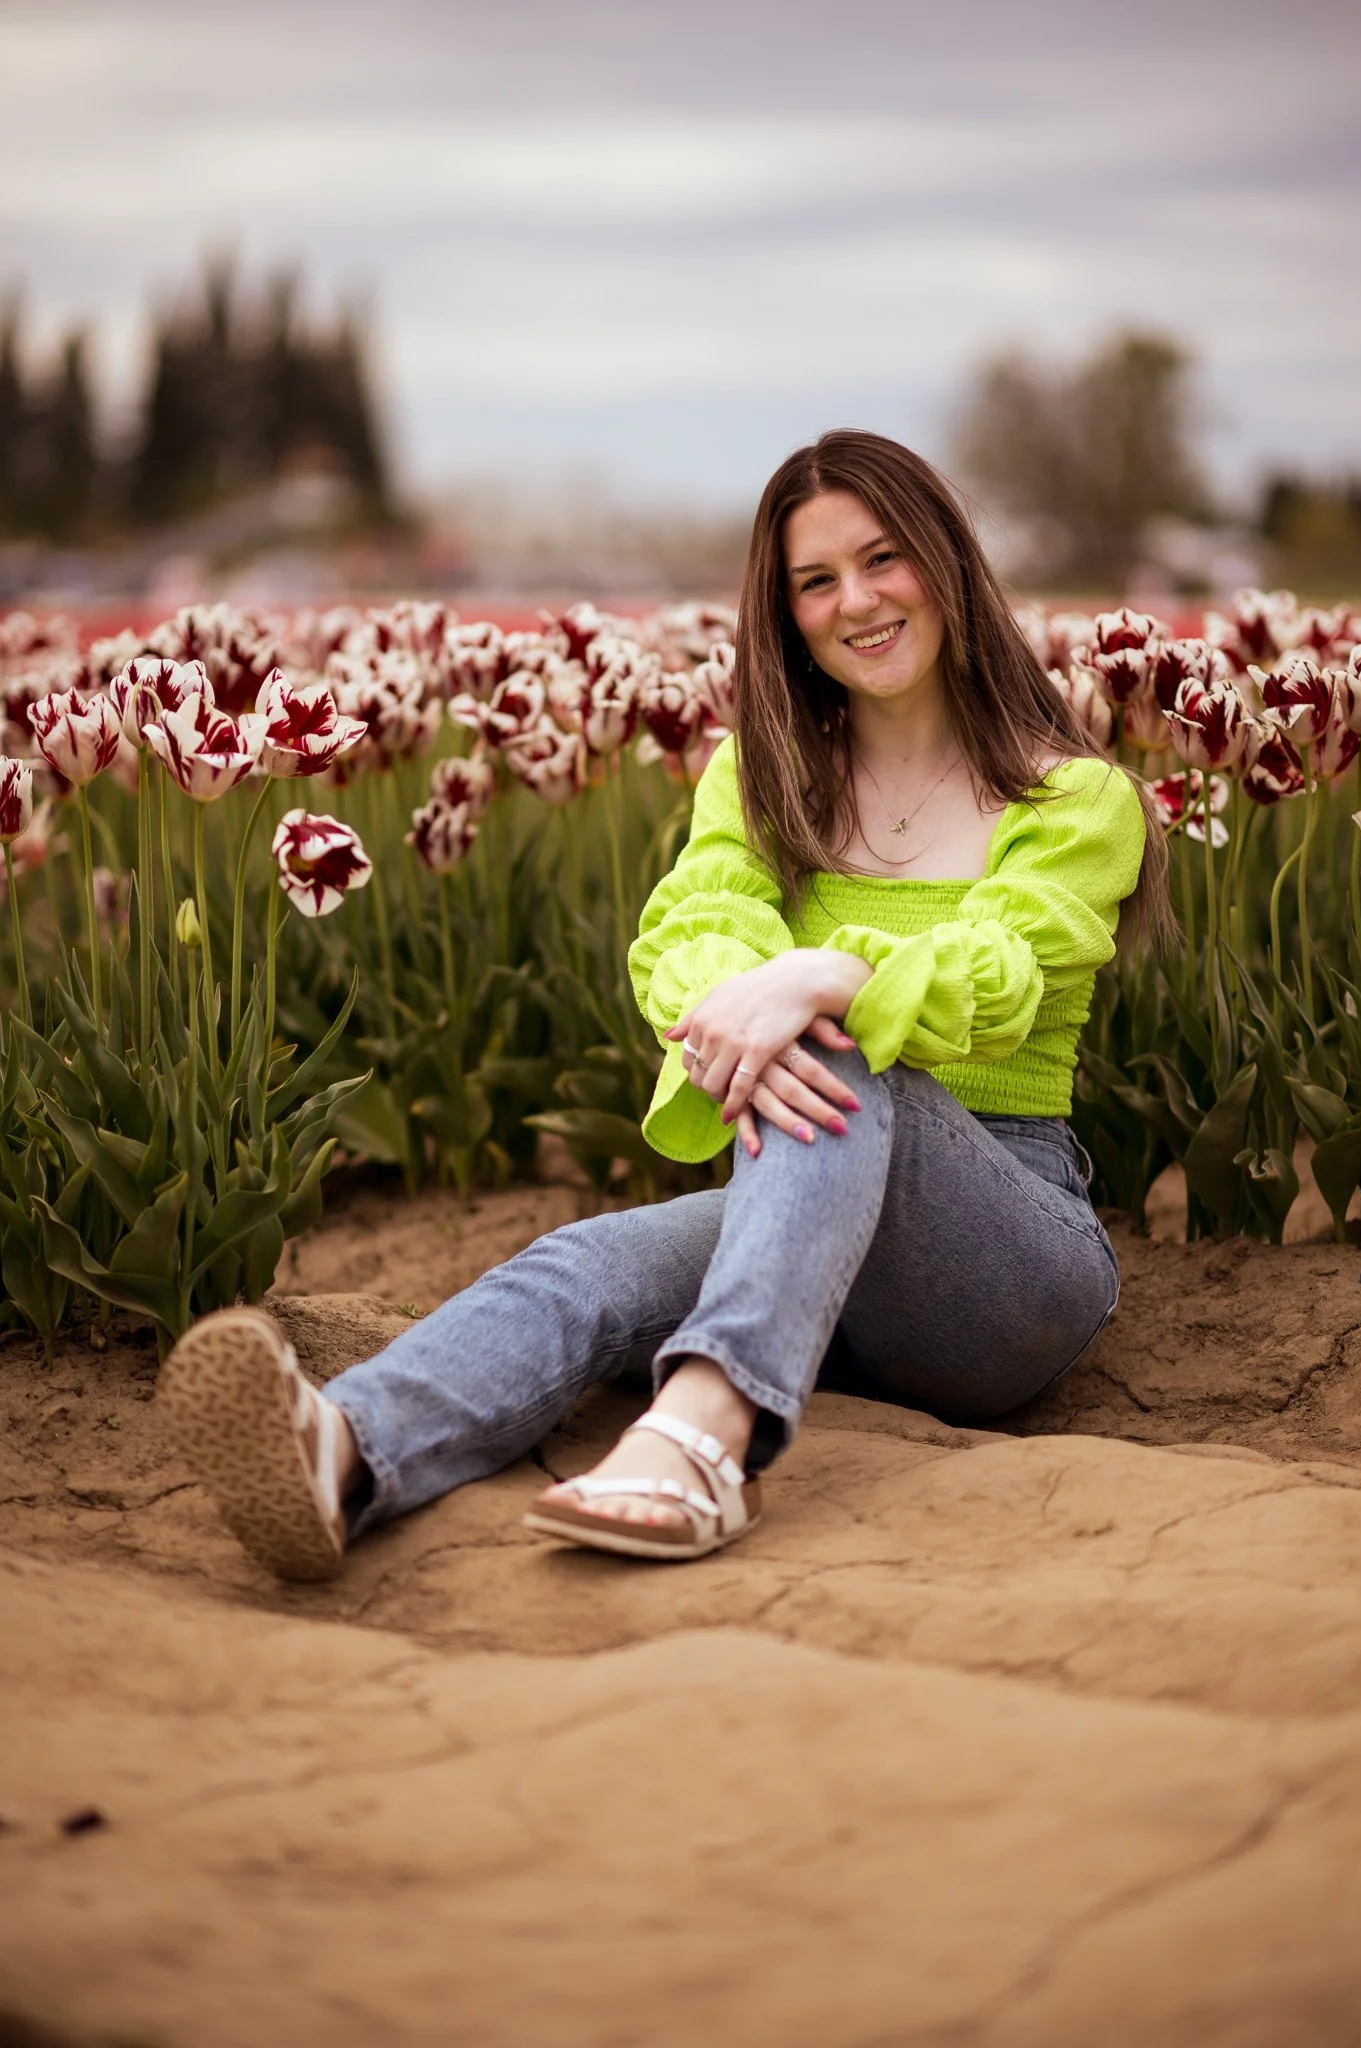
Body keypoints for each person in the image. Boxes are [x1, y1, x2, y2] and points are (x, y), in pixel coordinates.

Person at [160, 429, 1166, 1580]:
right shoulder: (764, 778)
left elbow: (1005, 967)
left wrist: (820, 976)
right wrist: (765, 991)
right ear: (786, 614)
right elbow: (694, 932)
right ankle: (341, 1449)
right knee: (590, 1265)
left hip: (1001, 1263)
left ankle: (702, 1438)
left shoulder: (1074, 798)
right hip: (799, 1208)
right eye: (816, 580)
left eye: (883, 558)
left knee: (842, 1052)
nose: (856, 601)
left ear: (947, 561)